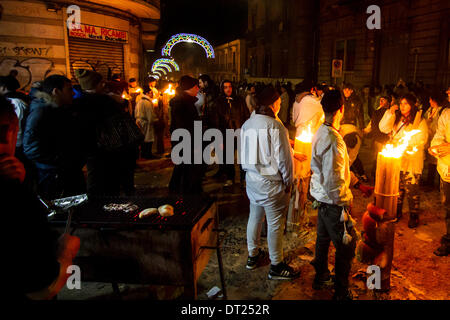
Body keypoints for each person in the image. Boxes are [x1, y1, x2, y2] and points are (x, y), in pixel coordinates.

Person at [0, 96, 80, 300]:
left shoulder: (14, 178)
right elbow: (42, 287)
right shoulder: (14, 198)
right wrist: (66, 252)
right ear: (9, 132)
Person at [240, 86, 299, 280]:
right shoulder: (275, 126)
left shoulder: (248, 123)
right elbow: (284, 160)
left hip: (252, 180)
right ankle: (276, 265)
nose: (280, 105)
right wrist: (289, 181)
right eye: (280, 102)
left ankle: (253, 256)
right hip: (272, 184)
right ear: (274, 104)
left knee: (254, 217)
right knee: (275, 224)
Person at [310, 89, 356, 300]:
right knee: (346, 246)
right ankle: (341, 290)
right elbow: (333, 179)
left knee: (323, 238)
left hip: (321, 198)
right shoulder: (333, 139)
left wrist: (354, 180)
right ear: (341, 109)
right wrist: (344, 202)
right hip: (332, 202)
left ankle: (321, 276)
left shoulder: (321, 130)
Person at [75, 69, 140, 197]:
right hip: (110, 150)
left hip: (91, 151)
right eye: (101, 83)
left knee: (95, 181)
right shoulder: (106, 102)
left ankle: (96, 208)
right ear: (96, 85)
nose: (104, 85)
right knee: (110, 184)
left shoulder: (77, 103)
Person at [23, 75, 85, 200]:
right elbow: (31, 148)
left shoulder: (60, 110)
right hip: (53, 176)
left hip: (66, 171)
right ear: (56, 91)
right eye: (69, 89)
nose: (73, 93)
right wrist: (60, 161)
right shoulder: (41, 113)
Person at [379, 94, 428, 228]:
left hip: (412, 160)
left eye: (406, 104)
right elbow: (383, 128)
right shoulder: (397, 119)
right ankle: (397, 212)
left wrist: (408, 144)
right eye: (401, 103)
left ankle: (414, 215)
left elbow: (422, 139)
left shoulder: (419, 121)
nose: (402, 106)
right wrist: (390, 113)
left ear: (412, 105)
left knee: (412, 189)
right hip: (398, 160)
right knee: (397, 189)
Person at [210, 80, 250, 187]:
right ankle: (230, 177)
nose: (228, 89)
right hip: (226, 134)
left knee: (243, 158)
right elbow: (216, 121)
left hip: (239, 133)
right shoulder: (218, 102)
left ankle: (243, 179)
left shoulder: (239, 100)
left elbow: (246, 116)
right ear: (222, 89)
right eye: (225, 87)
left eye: (230, 87)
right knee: (228, 158)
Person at [168, 75, 202, 194]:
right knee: (185, 168)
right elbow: (182, 125)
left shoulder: (186, 101)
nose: (198, 88)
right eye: (196, 86)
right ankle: (183, 192)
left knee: (182, 167)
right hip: (185, 142)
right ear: (189, 88)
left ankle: (177, 190)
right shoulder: (181, 103)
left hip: (186, 141)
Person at [429, 106, 450, 256]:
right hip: (447, 167)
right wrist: (435, 147)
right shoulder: (447, 114)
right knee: (449, 206)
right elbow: (439, 134)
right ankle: (449, 239)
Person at [423, 90, 449, 189]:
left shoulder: (442, 111)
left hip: (443, 146)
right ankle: (431, 182)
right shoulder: (433, 111)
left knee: (437, 163)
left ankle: (437, 183)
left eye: (431, 99)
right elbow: (439, 132)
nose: (429, 101)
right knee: (432, 163)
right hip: (434, 141)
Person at [363, 95, 392, 177]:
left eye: (384, 100)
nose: (381, 102)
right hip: (378, 139)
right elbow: (373, 125)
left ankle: (383, 174)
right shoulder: (376, 112)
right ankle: (376, 174)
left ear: (389, 102)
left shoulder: (391, 113)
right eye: (380, 100)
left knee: (386, 159)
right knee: (377, 158)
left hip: (387, 139)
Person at [135, 85, 158, 159]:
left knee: (143, 138)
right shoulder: (147, 103)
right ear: (147, 93)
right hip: (146, 122)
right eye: (151, 93)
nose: (152, 94)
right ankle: (148, 154)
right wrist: (155, 120)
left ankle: (144, 153)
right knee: (148, 138)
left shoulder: (140, 101)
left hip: (140, 121)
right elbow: (150, 115)